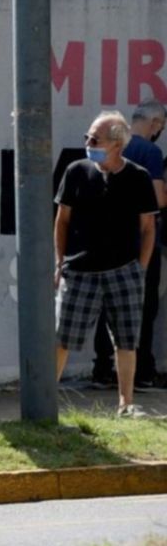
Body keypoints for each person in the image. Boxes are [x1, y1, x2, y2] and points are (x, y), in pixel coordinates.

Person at [53, 112, 157, 418]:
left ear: (117, 144)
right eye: (87, 137)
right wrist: (59, 262)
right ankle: (46, 402)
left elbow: (148, 227)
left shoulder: (138, 177)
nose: (88, 143)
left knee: (126, 339)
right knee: (62, 337)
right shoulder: (76, 171)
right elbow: (62, 221)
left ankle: (126, 404)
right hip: (79, 271)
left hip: (124, 271)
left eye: (95, 139)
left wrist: (141, 267)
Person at [118, 100, 167, 390]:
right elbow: (158, 199)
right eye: (160, 125)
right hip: (143, 240)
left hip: (112, 239)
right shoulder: (150, 152)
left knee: (111, 306)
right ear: (155, 123)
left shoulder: (115, 146)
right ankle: (143, 371)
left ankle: (104, 369)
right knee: (145, 306)